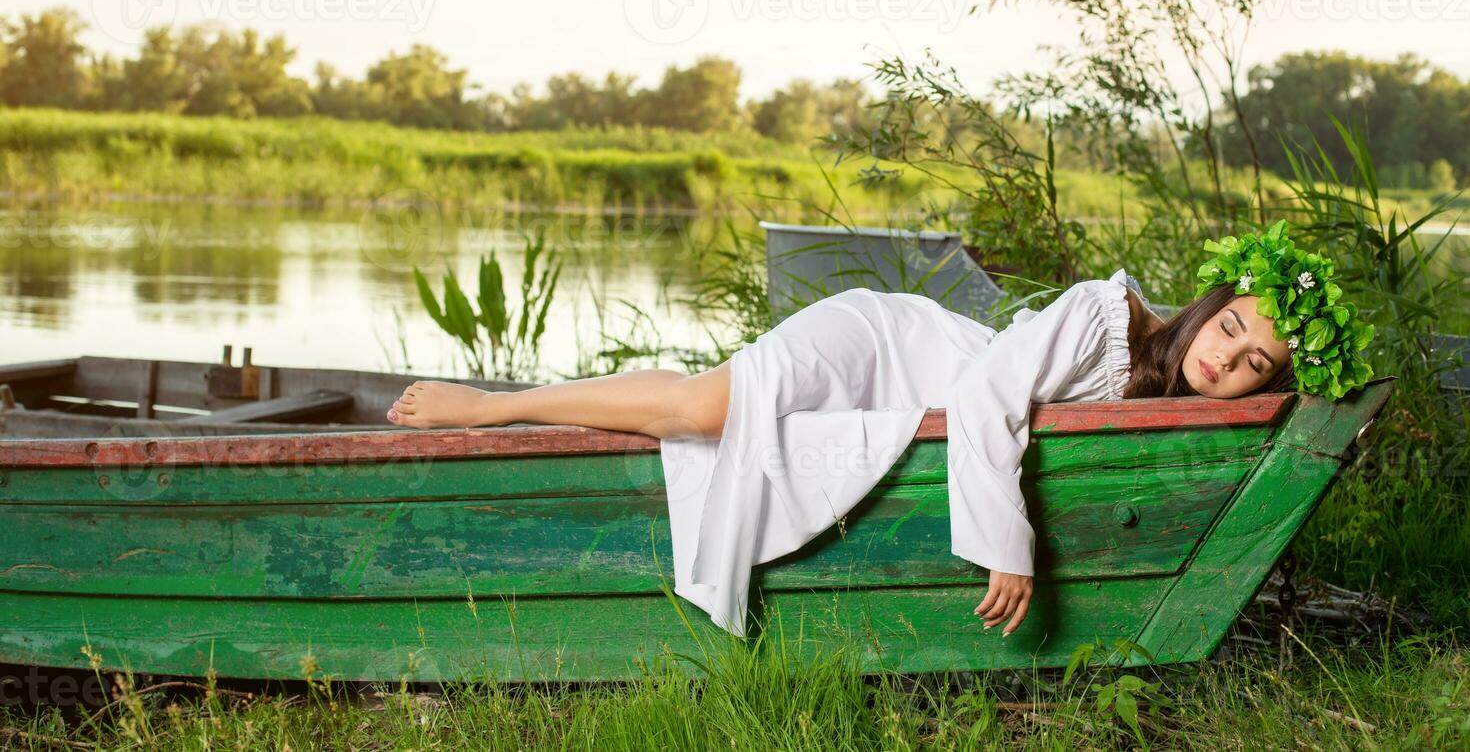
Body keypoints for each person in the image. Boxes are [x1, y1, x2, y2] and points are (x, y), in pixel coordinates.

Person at [383, 219, 1374, 638]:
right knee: (701, 408)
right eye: (1235, 325)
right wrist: (1007, 546)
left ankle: (509, 399)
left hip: (919, 377)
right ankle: (492, 403)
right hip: (885, 344)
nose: (1231, 357)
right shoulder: (1105, 315)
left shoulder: (1156, 378)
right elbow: (988, 398)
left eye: (1255, 365)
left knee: (700, 401)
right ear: (1213, 300)